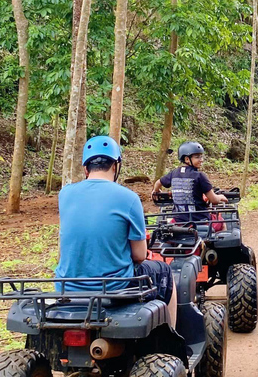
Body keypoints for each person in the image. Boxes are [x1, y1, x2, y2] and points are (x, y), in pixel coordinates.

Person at [56, 136, 177, 324]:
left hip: (67, 288)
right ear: (115, 166)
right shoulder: (129, 198)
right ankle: (171, 341)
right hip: (114, 288)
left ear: (86, 169)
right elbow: (139, 255)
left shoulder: (65, 195)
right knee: (164, 271)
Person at [152, 141, 228, 223]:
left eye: (201, 157)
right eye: (197, 157)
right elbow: (214, 200)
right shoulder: (200, 176)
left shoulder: (174, 173)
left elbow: (158, 183)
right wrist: (221, 197)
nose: (201, 160)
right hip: (200, 219)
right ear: (187, 159)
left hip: (178, 221)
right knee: (222, 223)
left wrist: (155, 191)